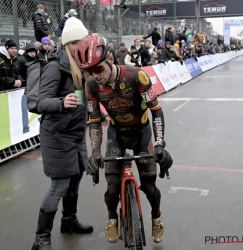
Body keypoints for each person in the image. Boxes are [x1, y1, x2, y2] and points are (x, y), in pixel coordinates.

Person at [75, 33, 173, 244]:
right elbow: (93, 121)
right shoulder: (91, 85)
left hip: (142, 133)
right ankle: (112, 219)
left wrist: (159, 144)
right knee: (111, 187)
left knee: (149, 187)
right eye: (87, 71)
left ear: (110, 60)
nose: (94, 75)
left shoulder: (136, 75)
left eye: (97, 69)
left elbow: (156, 111)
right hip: (116, 134)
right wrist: (94, 153)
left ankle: (156, 216)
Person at [31, 17, 93, 250]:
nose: (82, 44)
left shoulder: (83, 66)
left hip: (76, 133)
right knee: (59, 185)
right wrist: (60, 101)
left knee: (75, 179)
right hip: (56, 135)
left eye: (84, 40)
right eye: (77, 41)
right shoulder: (55, 66)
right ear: (68, 44)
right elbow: (41, 103)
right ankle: (41, 239)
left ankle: (69, 220)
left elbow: (82, 100)